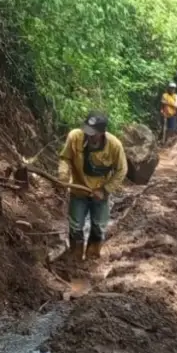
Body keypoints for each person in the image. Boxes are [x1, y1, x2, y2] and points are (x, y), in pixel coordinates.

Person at [57, 111, 128, 264]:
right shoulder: (75, 137)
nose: (89, 136)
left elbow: (122, 170)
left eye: (93, 134)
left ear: (102, 133)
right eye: (87, 132)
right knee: (75, 226)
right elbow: (65, 158)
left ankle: (91, 259)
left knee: (99, 227)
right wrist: (63, 175)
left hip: (100, 194)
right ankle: (75, 258)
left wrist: (105, 190)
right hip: (78, 191)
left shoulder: (114, 146)